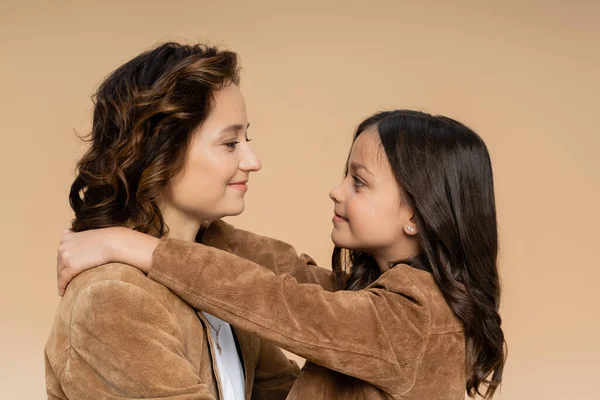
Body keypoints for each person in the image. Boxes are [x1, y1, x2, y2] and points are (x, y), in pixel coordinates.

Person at [57, 110, 507, 399]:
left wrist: (136, 245)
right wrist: (181, 227)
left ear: (417, 214)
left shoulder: (415, 317)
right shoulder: (384, 297)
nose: (336, 191)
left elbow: (283, 303)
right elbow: (288, 273)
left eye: (359, 182)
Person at [45, 42, 300, 400]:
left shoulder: (218, 274)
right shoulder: (114, 299)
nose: (253, 160)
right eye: (230, 143)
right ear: (161, 151)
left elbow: (287, 391)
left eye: (247, 138)